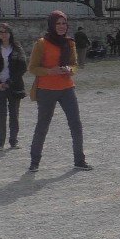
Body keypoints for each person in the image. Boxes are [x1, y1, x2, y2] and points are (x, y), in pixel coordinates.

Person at [28, 11, 91, 171]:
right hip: (46, 89)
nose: (62, 26)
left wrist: (70, 69)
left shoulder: (70, 43)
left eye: (64, 23)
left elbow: (75, 64)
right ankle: (34, 161)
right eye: (58, 23)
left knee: (76, 124)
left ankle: (79, 160)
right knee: (43, 125)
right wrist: (50, 71)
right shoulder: (41, 43)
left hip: (67, 88)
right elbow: (32, 68)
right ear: (52, 25)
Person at [0, 23, 27, 151]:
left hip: (14, 85)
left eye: (5, 32)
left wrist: (9, 82)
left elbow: (22, 68)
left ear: (10, 33)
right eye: (0, 32)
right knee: (0, 114)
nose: (3, 34)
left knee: (14, 114)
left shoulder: (17, 49)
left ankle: (13, 141)